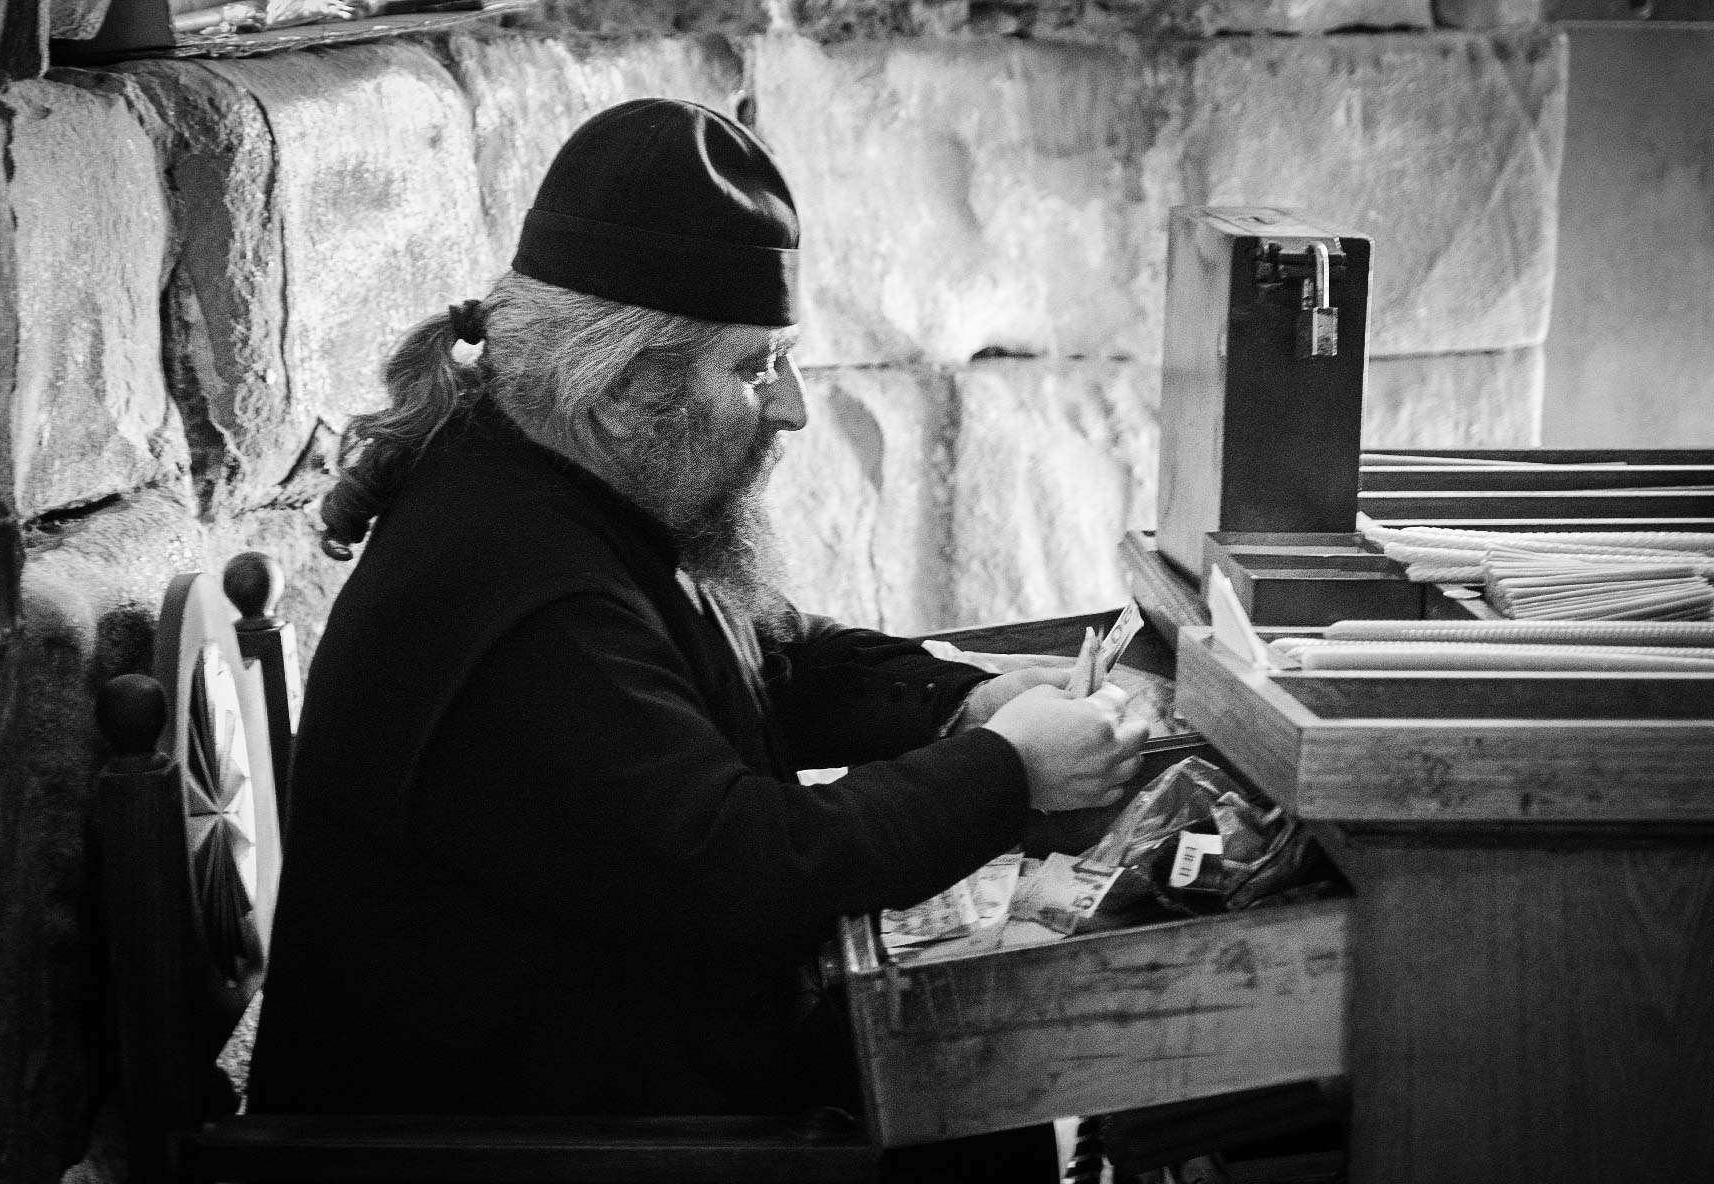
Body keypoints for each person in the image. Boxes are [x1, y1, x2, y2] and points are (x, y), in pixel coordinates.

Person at [247, 98, 1148, 1179]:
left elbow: (767, 652)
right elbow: (746, 864)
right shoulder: (520, 589)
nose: (794, 411)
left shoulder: (553, 482)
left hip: (611, 1070)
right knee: (969, 1093)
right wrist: (1008, 770)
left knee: (982, 1067)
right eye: (759, 368)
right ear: (632, 389)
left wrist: (963, 702)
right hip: (535, 1142)